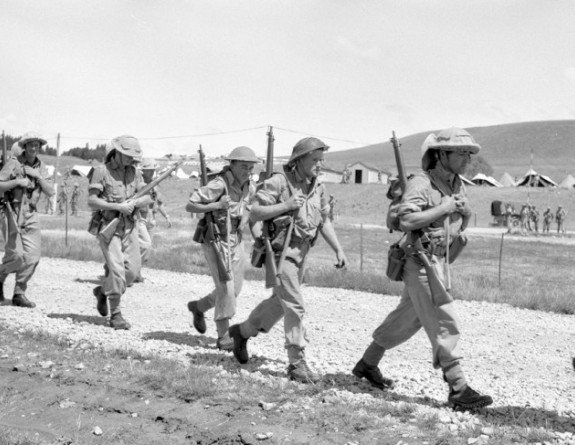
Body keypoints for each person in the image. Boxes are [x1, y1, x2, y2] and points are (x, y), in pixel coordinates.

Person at [352, 128, 492, 410]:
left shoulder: (455, 184)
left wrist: (463, 213)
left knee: (407, 319)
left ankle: (367, 364)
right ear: (441, 155)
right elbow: (406, 220)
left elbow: (460, 222)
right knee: (443, 318)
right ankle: (458, 387)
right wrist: (444, 208)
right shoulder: (422, 183)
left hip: (439, 261)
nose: (467, 159)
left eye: (468, 153)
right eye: (461, 153)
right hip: (420, 260)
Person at [228, 137, 347, 383]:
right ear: (298, 161)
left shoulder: (317, 187)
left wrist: (338, 249)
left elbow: (324, 220)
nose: (319, 165)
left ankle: (241, 332)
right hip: (281, 255)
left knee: (279, 304)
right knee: (294, 305)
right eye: (314, 160)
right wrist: (287, 205)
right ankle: (296, 363)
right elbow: (255, 211)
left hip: (302, 254)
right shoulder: (279, 182)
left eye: (321, 160)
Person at [186, 146, 259, 350]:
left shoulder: (249, 186)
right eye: (243, 166)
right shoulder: (219, 184)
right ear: (232, 165)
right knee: (226, 287)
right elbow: (191, 205)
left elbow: (250, 206)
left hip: (236, 238)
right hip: (216, 240)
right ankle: (224, 336)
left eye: (250, 167)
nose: (247, 171)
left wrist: (245, 222)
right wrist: (216, 206)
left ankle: (198, 307)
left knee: (234, 289)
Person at [88, 135, 152, 330]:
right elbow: (92, 201)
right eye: (127, 156)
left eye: (133, 157)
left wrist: (137, 202)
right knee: (116, 271)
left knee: (131, 273)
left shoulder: (135, 173)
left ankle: (103, 291)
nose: (131, 160)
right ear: (117, 153)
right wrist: (118, 205)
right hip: (109, 227)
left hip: (130, 226)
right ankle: (116, 315)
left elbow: (147, 196)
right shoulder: (101, 172)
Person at [0, 131, 55, 307]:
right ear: (25, 146)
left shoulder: (41, 166)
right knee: (16, 255)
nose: (33, 148)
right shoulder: (14, 163)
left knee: (32, 257)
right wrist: (17, 182)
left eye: (37, 145)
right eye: (30, 144)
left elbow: (51, 191)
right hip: (12, 211)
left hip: (31, 213)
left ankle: (19, 293)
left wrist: (37, 176)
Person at [134, 158, 171, 283]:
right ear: (143, 171)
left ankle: (136, 272)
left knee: (147, 249)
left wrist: (166, 216)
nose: (151, 172)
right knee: (145, 245)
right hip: (141, 217)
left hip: (152, 218)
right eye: (148, 170)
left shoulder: (155, 184)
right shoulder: (138, 184)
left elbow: (159, 203)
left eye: (152, 170)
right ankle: (131, 271)